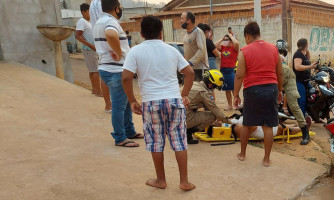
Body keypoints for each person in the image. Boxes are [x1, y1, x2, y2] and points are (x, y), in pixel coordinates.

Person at [122, 15, 196, 191]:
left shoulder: (135, 51)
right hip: (173, 100)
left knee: (156, 142)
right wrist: (184, 95)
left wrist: (132, 100)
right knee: (179, 141)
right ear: (161, 33)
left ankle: (161, 180)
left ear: (141, 33)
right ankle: (184, 181)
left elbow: (126, 77)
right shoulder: (171, 50)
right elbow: (190, 73)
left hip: (151, 102)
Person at [234, 21, 283, 167]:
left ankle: (242, 154)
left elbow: (239, 75)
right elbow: (279, 72)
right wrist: (280, 90)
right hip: (271, 89)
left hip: (252, 90)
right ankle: (266, 159)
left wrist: (236, 94)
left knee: (247, 124)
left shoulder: (245, 51)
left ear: (248, 36)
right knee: (268, 126)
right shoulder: (274, 49)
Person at [94, 0, 143, 147]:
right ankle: (120, 137)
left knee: (127, 102)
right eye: (120, 7)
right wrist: (119, 52)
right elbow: (110, 34)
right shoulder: (110, 22)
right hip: (114, 69)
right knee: (119, 105)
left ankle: (129, 131)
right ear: (116, 9)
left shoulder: (99, 21)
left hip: (108, 68)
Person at [276, 39, 312, 145]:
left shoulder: (277, 57)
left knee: (294, 106)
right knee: (294, 106)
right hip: (285, 76)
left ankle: (305, 133)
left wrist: (278, 90)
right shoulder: (276, 56)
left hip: (286, 76)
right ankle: (305, 132)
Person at [186, 70, 231, 144]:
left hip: (176, 115)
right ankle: (188, 131)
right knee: (213, 116)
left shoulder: (194, 84)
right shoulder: (203, 93)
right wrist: (230, 122)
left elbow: (206, 107)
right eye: (215, 87)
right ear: (210, 85)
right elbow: (215, 110)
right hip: (183, 118)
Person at [89, 0, 112, 113]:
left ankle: (108, 105)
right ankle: (110, 105)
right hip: (107, 42)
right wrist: (115, 49)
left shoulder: (93, 3)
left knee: (104, 73)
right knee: (113, 74)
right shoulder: (102, 4)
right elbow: (110, 31)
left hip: (99, 41)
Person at [75, 3, 102, 96]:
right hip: (89, 49)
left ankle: (94, 90)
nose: (91, 13)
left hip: (91, 49)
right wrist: (90, 45)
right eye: (89, 12)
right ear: (83, 12)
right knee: (95, 71)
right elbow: (78, 36)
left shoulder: (89, 22)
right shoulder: (82, 22)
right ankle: (98, 91)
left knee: (92, 70)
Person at [180, 12, 209, 81]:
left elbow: (201, 50)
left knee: (199, 91)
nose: (180, 21)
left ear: (188, 21)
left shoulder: (198, 32)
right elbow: (188, 50)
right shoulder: (186, 33)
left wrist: (190, 63)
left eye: (182, 19)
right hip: (189, 68)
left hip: (199, 69)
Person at [292, 39, 317, 116]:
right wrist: (310, 66)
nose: (307, 46)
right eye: (307, 44)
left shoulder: (304, 55)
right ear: (305, 45)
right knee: (302, 100)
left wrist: (313, 65)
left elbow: (308, 59)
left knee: (313, 96)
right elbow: (297, 67)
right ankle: (301, 119)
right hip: (299, 81)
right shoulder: (298, 54)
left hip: (306, 81)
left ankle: (314, 116)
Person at [216, 34, 239, 111]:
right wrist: (222, 39)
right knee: (226, 89)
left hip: (231, 70)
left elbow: (237, 43)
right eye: (225, 40)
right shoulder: (223, 48)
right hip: (223, 70)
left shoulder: (234, 48)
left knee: (234, 89)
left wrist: (231, 37)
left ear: (231, 41)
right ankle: (229, 105)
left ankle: (237, 105)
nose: (226, 41)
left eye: (227, 40)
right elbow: (215, 46)